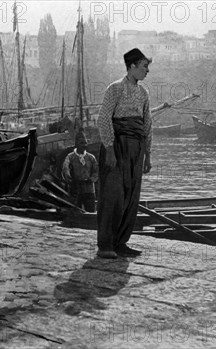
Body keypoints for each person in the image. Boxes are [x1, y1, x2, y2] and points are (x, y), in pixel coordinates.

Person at [96, 48, 153, 259]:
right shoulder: (115, 89)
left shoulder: (144, 93)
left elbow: (147, 124)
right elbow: (103, 119)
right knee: (113, 196)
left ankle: (120, 243)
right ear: (132, 66)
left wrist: (148, 154)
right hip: (117, 147)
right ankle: (105, 245)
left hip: (136, 149)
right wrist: (109, 149)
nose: (147, 71)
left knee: (131, 197)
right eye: (144, 66)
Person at [62, 131, 98, 212]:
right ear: (76, 143)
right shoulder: (70, 157)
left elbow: (96, 171)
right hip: (76, 190)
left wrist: (92, 178)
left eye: (85, 143)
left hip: (89, 190)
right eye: (81, 143)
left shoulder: (91, 157)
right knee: (75, 212)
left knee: (91, 212)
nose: (84, 145)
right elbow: (65, 167)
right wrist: (68, 176)